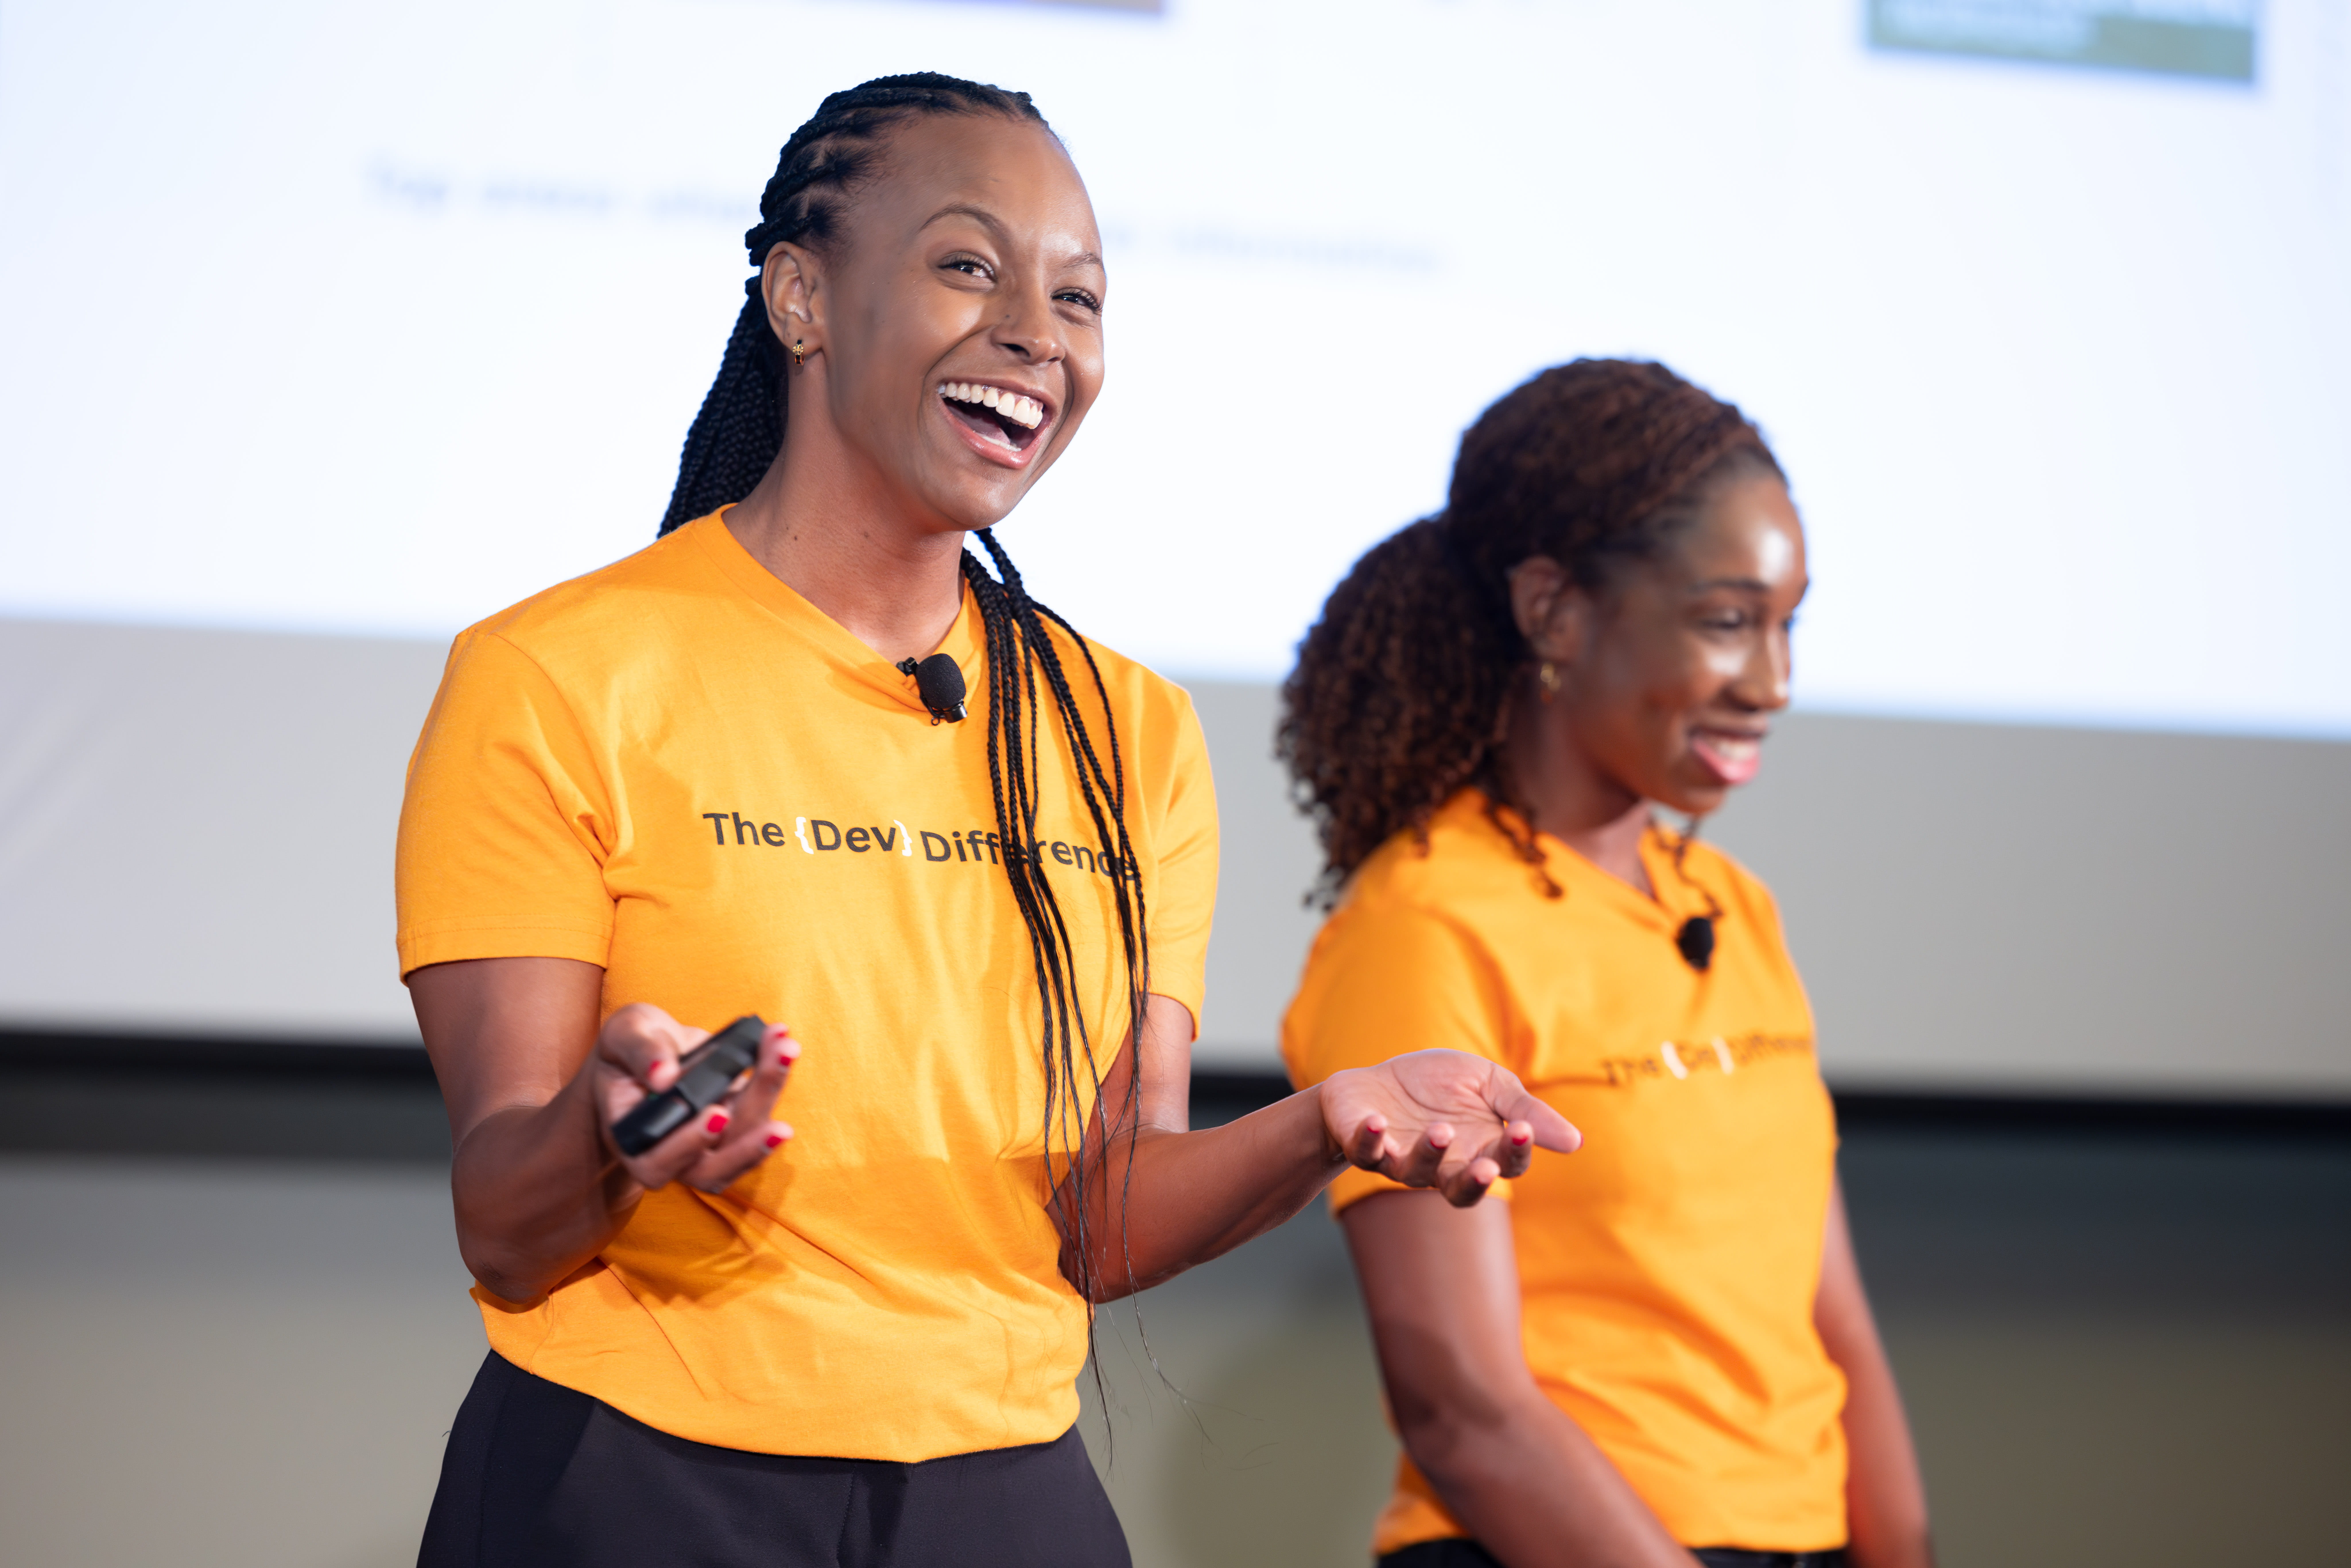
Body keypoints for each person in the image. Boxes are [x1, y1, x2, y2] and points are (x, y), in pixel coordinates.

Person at [395, 73, 1579, 1568]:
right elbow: (504, 1218)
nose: (1039, 332)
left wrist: (1319, 1126)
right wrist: (612, 1136)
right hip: (637, 1479)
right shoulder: (558, 675)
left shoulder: (1122, 727)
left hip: (1001, 1492)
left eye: (1079, 297)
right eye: (971, 265)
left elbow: (1099, 1221)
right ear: (804, 298)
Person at [1278, 360, 1935, 1568]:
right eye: (1727, 621)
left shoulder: (1733, 907)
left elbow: (1828, 1315)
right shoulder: (1423, 924)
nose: (1773, 683)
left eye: (1788, 625)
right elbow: (1463, 1411)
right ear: (1555, 610)